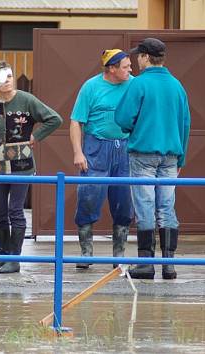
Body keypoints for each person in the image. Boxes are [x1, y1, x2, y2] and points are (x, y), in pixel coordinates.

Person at [0, 61, 62, 274]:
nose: (6, 82)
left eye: (9, 77)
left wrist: (36, 136)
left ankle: (15, 258)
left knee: (15, 210)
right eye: (1, 78)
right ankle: (3, 255)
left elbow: (54, 119)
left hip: (22, 165)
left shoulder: (26, 100)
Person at [115, 38, 191, 280]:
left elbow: (123, 118)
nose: (137, 60)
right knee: (167, 206)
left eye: (139, 56)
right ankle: (168, 264)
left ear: (146, 57)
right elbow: (185, 124)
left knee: (145, 205)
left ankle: (146, 263)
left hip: (143, 153)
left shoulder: (139, 85)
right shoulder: (177, 86)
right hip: (171, 156)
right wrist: (181, 159)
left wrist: (135, 127)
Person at [70, 49, 135, 269]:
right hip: (96, 147)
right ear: (111, 68)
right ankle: (86, 253)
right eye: (125, 67)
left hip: (125, 148)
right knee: (89, 195)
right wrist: (78, 152)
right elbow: (76, 121)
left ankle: (119, 255)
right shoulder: (91, 87)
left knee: (124, 200)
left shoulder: (134, 85)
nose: (130, 70)